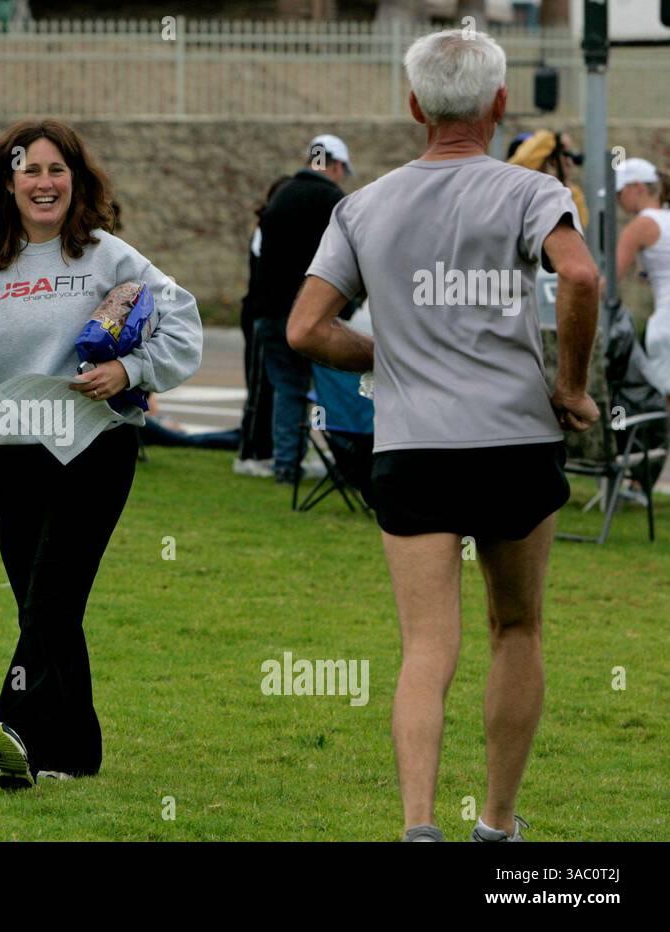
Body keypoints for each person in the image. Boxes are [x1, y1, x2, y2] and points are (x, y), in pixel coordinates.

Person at [287, 28, 600, 842]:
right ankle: (496, 825)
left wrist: (388, 353)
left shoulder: (363, 204)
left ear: (414, 104)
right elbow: (580, 274)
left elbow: (306, 330)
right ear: (500, 105)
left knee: (427, 645)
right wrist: (569, 385)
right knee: (518, 628)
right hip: (514, 441)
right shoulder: (530, 193)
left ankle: (418, 826)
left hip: (414, 446)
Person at [0, 119, 202, 788]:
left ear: (76, 180)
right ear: (7, 184)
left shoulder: (106, 256)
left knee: (51, 597)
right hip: (13, 452)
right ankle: (74, 753)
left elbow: (180, 318)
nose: (43, 183)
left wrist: (130, 372)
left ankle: (10, 726)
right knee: (43, 607)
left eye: (56, 170)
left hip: (93, 446)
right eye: (30, 171)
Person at [250, 134, 350, 484]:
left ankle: (285, 465)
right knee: (334, 389)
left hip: (270, 312)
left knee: (287, 389)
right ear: (335, 165)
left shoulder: (282, 195)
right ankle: (346, 465)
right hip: (313, 315)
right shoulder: (334, 201)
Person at [233, 174, 293, 478]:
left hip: (265, 312)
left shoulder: (273, 227)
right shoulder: (266, 228)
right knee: (259, 384)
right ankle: (251, 453)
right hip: (259, 313)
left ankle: (270, 450)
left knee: (273, 386)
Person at [614, 157, 670, 400]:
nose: (617, 200)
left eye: (619, 192)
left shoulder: (640, 226)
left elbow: (610, 278)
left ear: (636, 187)